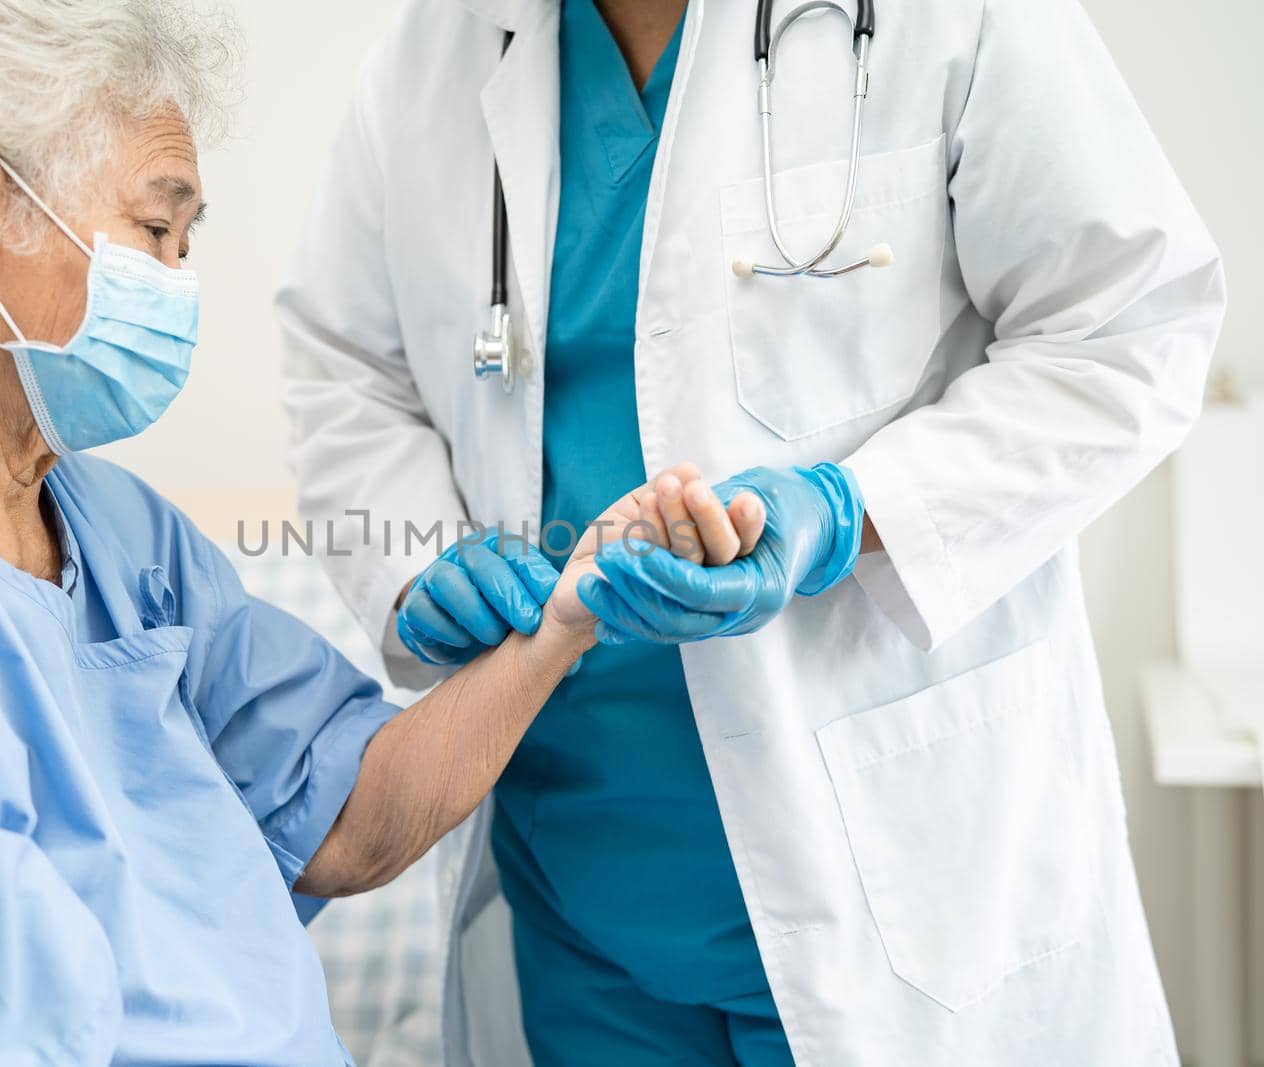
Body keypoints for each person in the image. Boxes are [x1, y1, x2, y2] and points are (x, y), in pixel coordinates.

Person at [0, 2, 737, 1063]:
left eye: (185, 240)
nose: (179, 281)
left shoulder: (118, 533)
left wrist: (565, 616)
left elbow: (346, 812)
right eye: (153, 229)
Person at [277, 0, 1227, 1063]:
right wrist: (417, 558)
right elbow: (344, 367)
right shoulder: (434, 55)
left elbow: (1130, 324)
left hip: (901, 895)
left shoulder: (955, 20)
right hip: (581, 893)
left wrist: (842, 509)